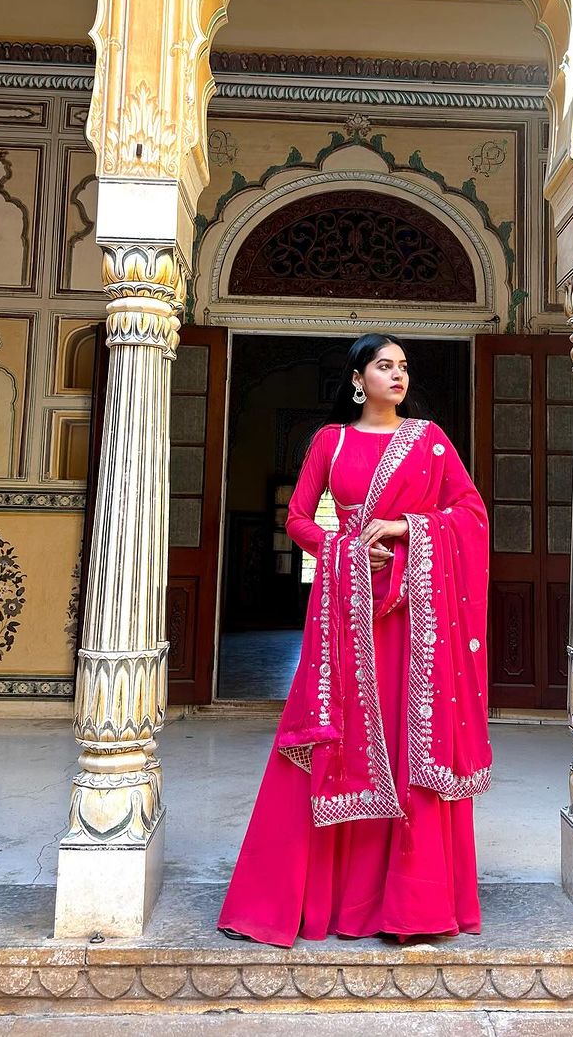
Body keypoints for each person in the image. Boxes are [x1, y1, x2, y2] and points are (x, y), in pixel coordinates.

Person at [217, 333, 492, 946]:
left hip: (416, 619)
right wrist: (338, 548)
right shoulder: (330, 442)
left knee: (406, 740)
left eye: (404, 367)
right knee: (336, 737)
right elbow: (296, 516)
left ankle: (413, 908)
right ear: (358, 377)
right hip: (348, 610)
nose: (398, 376)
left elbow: (470, 516)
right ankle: (314, 899)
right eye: (385, 366)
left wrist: (402, 527)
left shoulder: (430, 441)